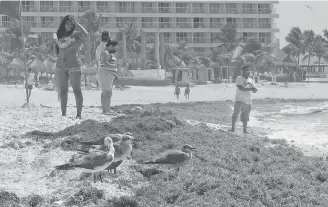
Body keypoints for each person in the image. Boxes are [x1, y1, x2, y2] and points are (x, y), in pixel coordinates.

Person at [54, 15, 88, 119]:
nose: (69, 25)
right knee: (63, 90)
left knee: (76, 90)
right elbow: (56, 52)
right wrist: (54, 46)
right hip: (60, 65)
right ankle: (63, 114)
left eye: (71, 24)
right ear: (64, 24)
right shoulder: (58, 35)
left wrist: (77, 23)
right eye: (67, 23)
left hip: (74, 65)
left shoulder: (76, 35)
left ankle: (78, 114)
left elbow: (86, 34)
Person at [231, 64, 258, 134]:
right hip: (239, 100)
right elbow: (241, 88)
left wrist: (254, 90)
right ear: (242, 71)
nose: (248, 71)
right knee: (235, 114)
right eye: (246, 70)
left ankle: (245, 130)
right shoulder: (239, 78)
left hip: (248, 101)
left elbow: (253, 90)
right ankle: (232, 128)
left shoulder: (251, 80)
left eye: (249, 70)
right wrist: (251, 89)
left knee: (245, 117)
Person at [97, 39, 119, 114]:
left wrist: (114, 73)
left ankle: (108, 109)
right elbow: (105, 64)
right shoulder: (105, 53)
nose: (116, 49)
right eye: (115, 47)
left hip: (109, 75)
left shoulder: (109, 54)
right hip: (105, 74)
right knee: (106, 92)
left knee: (109, 92)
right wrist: (114, 68)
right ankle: (104, 110)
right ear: (110, 46)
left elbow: (110, 64)